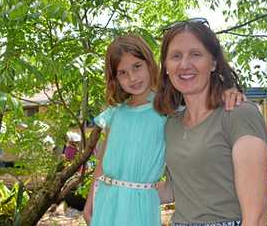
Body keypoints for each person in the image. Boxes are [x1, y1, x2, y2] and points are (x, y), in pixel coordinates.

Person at [83, 34, 244, 226]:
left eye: (137, 66)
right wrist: (90, 201)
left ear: (150, 64)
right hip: (106, 202)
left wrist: (227, 92)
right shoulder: (115, 114)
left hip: (140, 206)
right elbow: (102, 163)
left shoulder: (168, 110)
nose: (132, 77)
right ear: (115, 78)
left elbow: (203, 106)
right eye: (122, 73)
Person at [154, 18, 267, 226]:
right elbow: (173, 189)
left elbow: (256, 217)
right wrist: (115, 189)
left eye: (195, 54)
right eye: (175, 56)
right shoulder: (171, 124)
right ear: (166, 67)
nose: (184, 64)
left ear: (214, 62)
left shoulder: (238, 114)